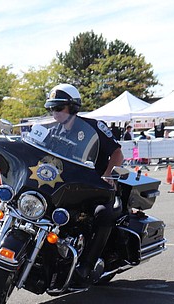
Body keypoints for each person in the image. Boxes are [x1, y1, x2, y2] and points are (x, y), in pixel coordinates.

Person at [44, 83, 123, 286]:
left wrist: (108, 176)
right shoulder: (53, 132)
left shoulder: (94, 127)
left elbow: (117, 153)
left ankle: (85, 266)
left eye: (59, 108)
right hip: (64, 189)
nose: (55, 113)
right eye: (52, 108)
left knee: (102, 214)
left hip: (93, 189)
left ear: (73, 107)